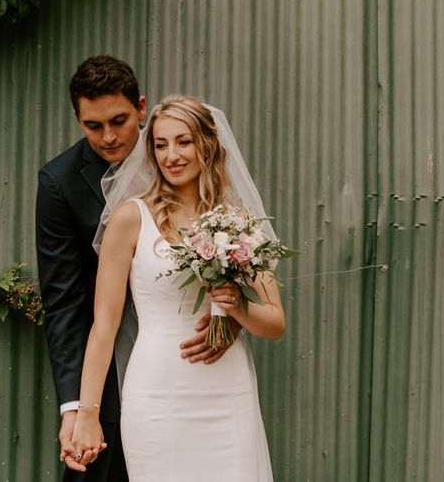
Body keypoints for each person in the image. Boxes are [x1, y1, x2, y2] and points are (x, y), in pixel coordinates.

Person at [36, 58, 236, 480]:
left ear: (141, 108)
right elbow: (65, 302)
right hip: (107, 371)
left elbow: (230, 257)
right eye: (93, 126)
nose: (108, 137)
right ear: (78, 119)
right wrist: (76, 407)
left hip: (193, 364)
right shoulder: (60, 182)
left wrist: (228, 319)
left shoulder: (182, 155)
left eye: (119, 120)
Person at [70, 95, 285, 481]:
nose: (171, 155)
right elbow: (104, 325)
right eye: (160, 144)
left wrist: (237, 309)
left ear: (207, 144)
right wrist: (87, 414)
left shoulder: (238, 224)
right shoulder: (130, 219)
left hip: (227, 391)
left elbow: (275, 323)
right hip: (157, 393)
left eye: (183, 141)